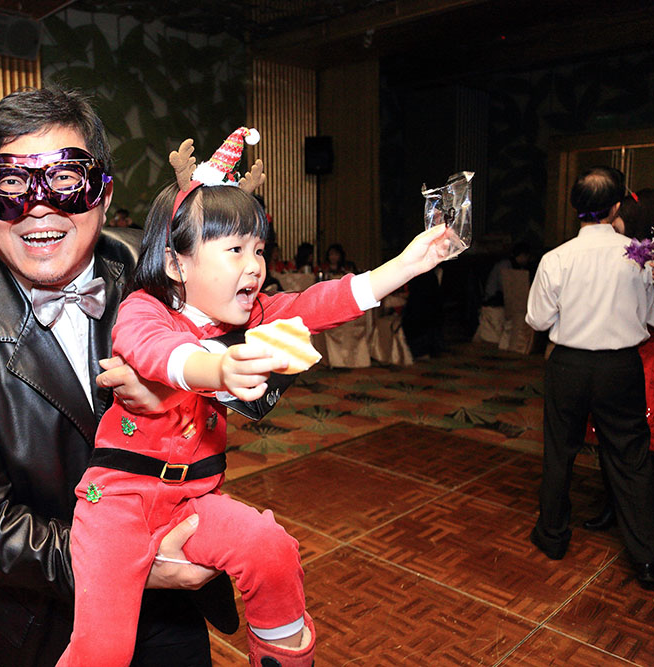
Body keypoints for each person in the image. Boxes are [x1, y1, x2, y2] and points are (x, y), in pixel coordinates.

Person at [57, 130, 453, 666]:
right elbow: (159, 354)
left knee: (270, 547)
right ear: (176, 263)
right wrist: (218, 366)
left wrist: (404, 265)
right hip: (118, 504)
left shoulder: (252, 315)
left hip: (193, 499)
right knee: (103, 648)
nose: (255, 265)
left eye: (259, 249)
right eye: (235, 250)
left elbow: (318, 303)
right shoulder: (144, 308)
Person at [0, 87, 236, 666]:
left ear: (103, 192)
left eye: (64, 180)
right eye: (12, 184)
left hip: (170, 614)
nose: (38, 208)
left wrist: (195, 374)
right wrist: (132, 561)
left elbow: (253, 348)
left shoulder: (152, 270)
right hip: (51, 622)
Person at [526, 166, 654, 588]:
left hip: (569, 366)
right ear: (615, 207)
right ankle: (649, 559)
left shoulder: (556, 258)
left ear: (576, 207)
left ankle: (552, 537)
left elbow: (537, 319)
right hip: (620, 368)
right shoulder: (639, 256)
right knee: (631, 457)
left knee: (560, 451)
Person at [583, 188, 654, 557]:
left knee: (647, 446)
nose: (611, 221)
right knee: (606, 437)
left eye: (617, 215)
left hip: (647, 363)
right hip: (607, 357)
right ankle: (614, 506)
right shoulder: (609, 256)